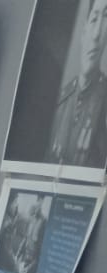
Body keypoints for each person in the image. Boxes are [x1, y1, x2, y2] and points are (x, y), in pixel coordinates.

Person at [51, 0, 107, 169]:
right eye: (94, 19)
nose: (96, 35)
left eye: (105, 19)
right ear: (83, 31)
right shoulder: (61, 98)